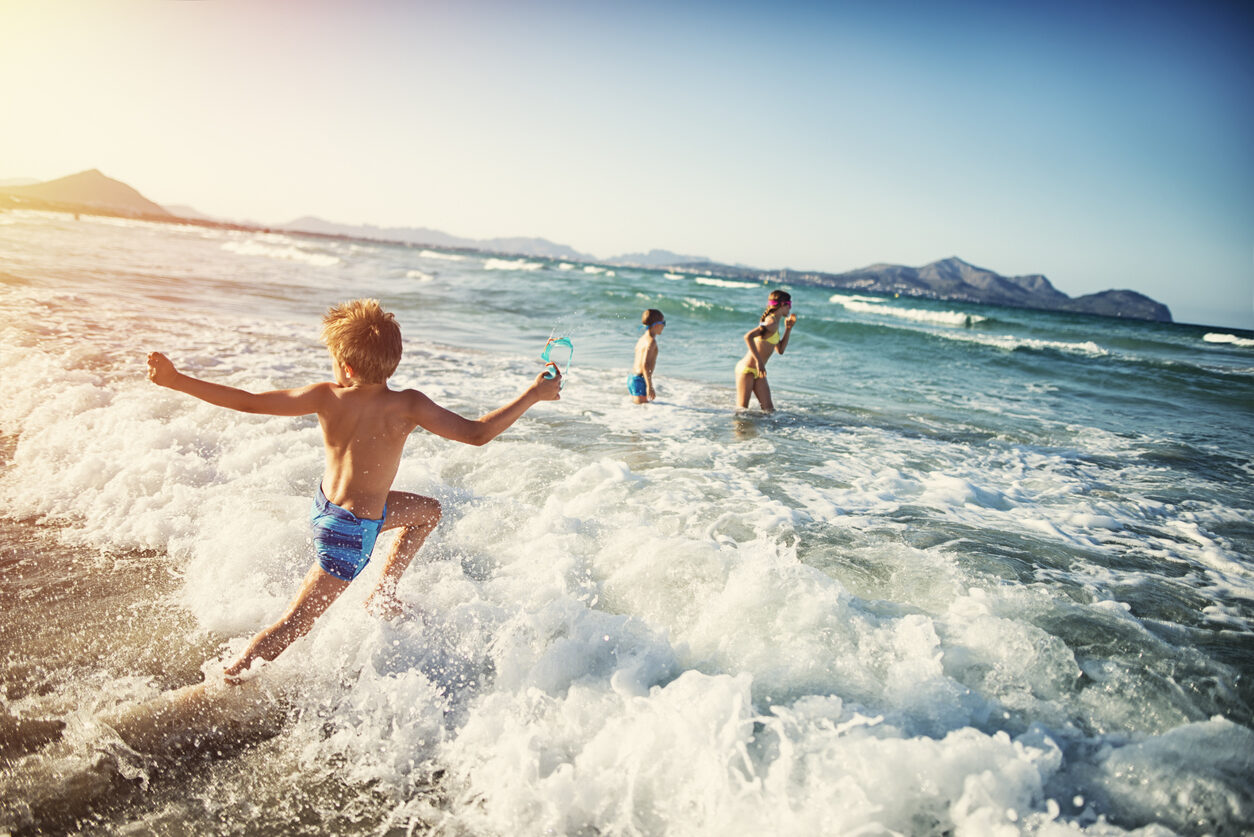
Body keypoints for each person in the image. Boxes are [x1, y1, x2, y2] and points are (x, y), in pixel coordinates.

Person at [146, 298, 562, 683]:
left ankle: (383, 593)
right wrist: (534, 394)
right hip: (352, 532)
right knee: (296, 623)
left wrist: (176, 380)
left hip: (329, 508)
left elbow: (249, 402)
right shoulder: (409, 404)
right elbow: (477, 433)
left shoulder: (327, 396)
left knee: (428, 512)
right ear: (392, 363)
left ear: (344, 365)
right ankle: (229, 677)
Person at [735, 289, 796, 412]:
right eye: (789, 305)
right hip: (747, 370)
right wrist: (759, 361)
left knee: (769, 412)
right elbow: (748, 336)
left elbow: (780, 350)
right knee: (742, 412)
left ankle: (760, 431)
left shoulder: (776, 323)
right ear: (783, 305)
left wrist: (788, 329)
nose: (790, 309)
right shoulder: (771, 322)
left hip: (759, 372)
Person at [628, 309, 665, 403]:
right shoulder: (651, 341)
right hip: (640, 380)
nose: (664, 326)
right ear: (657, 324)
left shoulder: (642, 339)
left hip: (632, 378)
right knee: (641, 413)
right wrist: (649, 386)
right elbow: (645, 364)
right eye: (663, 322)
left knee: (638, 412)